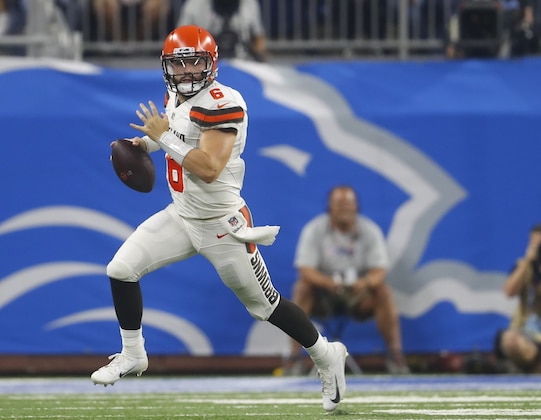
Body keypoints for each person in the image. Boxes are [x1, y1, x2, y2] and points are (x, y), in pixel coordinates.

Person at [90, 25, 347, 413]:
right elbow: (175, 133)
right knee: (121, 269)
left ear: (212, 64)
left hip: (222, 225)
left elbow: (208, 167)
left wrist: (164, 137)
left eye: (195, 61)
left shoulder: (224, 102)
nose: (187, 71)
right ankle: (133, 353)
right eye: (179, 63)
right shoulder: (175, 94)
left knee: (265, 306)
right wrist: (144, 143)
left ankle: (327, 355)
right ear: (166, 66)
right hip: (182, 215)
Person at [288, 185, 410, 375]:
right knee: (301, 288)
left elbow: (379, 271)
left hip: (357, 297)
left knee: (383, 291)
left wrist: (364, 283)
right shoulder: (314, 230)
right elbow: (305, 270)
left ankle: (395, 356)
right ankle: (294, 358)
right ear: (330, 206)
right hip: (324, 296)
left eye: (348, 203)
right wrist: (327, 282)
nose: (344, 208)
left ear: (356, 206)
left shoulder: (370, 231)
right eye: (339, 203)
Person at [494, 223, 541, 373]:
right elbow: (509, 292)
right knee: (509, 339)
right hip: (529, 333)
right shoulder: (523, 266)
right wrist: (528, 260)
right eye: (534, 244)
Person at [177, 0, 267, 61]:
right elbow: (179, 41)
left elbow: (258, 39)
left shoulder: (249, 3)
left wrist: (260, 55)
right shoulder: (194, 5)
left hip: (242, 62)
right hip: (204, 64)